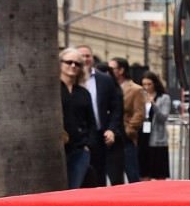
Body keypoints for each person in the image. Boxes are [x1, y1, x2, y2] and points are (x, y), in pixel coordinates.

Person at [77, 45, 125, 186]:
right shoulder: (70, 79)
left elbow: (116, 107)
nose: (85, 59)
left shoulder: (104, 80)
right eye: (82, 56)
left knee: (99, 176)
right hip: (78, 137)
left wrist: (111, 129)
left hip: (99, 135)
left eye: (88, 56)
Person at [59, 48, 95, 189]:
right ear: (60, 64)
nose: (73, 66)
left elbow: (91, 121)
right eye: (69, 62)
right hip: (58, 149)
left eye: (77, 64)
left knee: (73, 189)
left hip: (80, 150)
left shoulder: (84, 93)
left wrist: (88, 145)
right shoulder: (53, 89)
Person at [108, 57, 144, 183]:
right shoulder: (109, 87)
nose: (108, 71)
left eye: (111, 68)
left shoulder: (135, 89)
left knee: (132, 175)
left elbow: (139, 114)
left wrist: (127, 132)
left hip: (126, 139)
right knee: (114, 177)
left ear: (121, 70)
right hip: (110, 138)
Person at [139, 70, 171, 180]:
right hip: (143, 137)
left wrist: (153, 104)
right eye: (144, 84)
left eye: (149, 84)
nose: (146, 87)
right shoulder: (140, 96)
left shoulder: (164, 98)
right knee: (144, 173)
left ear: (155, 84)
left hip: (157, 139)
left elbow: (163, 117)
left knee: (159, 174)